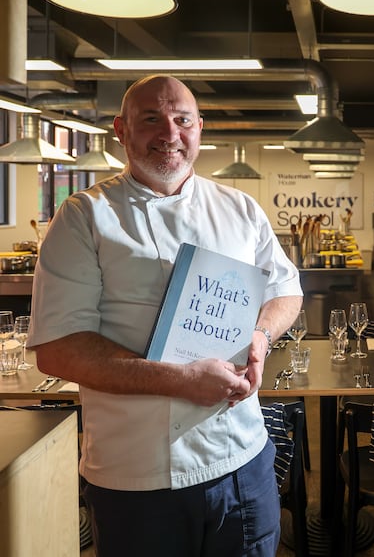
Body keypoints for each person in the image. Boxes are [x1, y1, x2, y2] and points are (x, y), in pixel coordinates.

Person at [27, 75, 303, 557]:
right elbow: (57, 348)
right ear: (121, 129)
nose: (169, 133)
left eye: (182, 120)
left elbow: (286, 291)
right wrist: (179, 380)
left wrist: (260, 335)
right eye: (151, 119)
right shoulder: (83, 216)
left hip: (241, 457)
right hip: (136, 474)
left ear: (200, 128)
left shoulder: (239, 208)